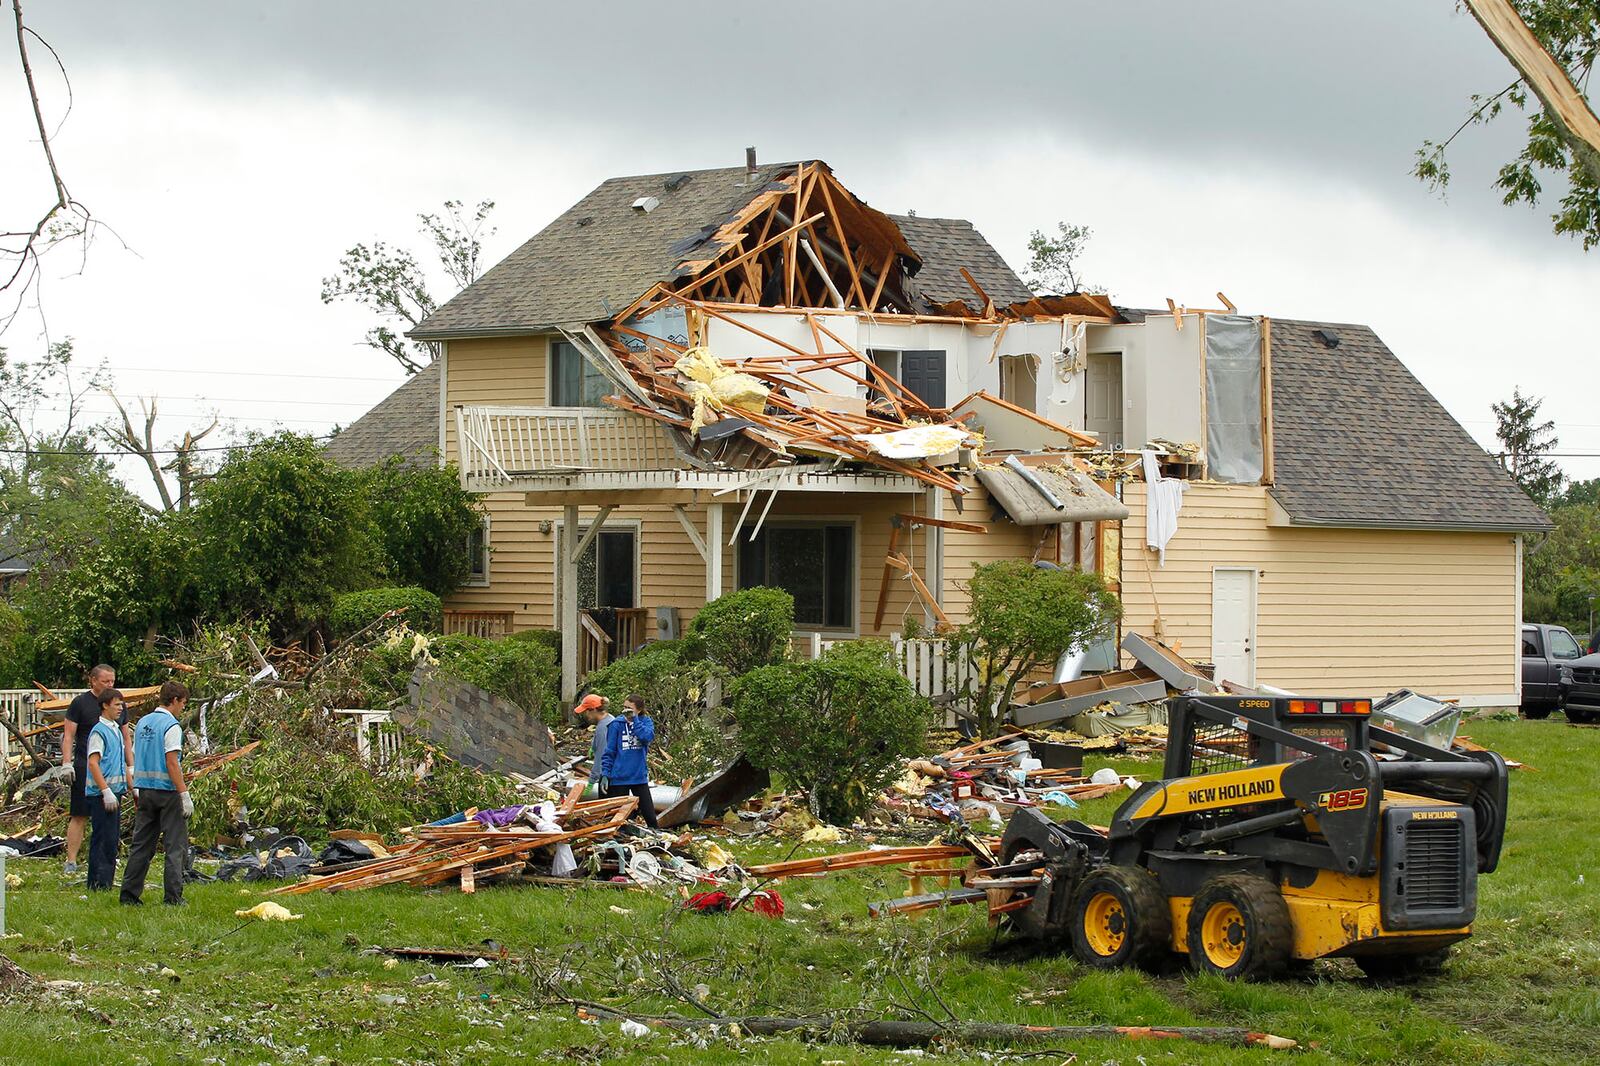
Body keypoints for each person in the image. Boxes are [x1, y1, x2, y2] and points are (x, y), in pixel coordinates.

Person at [120, 680, 192, 906]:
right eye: (183, 703)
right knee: (175, 846)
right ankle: (173, 897)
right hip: (168, 792)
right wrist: (184, 794)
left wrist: (135, 785)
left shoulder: (143, 723)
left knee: (141, 844)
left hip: (145, 790)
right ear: (174, 701)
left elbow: (134, 753)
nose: (183, 708)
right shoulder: (171, 726)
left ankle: (129, 895)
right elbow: (172, 762)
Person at [60, 664, 128, 876]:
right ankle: (71, 860)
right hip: (86, 767)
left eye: (112, 681)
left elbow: (125, 736)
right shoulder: (80, 703)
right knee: (80, 814)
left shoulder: (117, 703)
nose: (109, 684)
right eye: (105, 681)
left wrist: (131, 767)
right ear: (93, 680)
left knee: (107, 823)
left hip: (111, 771)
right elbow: (69, 735)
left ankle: (105, 862)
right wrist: (66, 763)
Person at [83, 688, 130, 890]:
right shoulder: (99, 731)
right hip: (102, 795)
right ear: (105, 705)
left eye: (122, 704)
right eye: (117, 704)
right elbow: (93, 763)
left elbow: (120, 762)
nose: (121, 708)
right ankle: (98, 883)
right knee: (102, 839)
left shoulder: (116, 730)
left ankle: (106, 882)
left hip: (115, 792)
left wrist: (131, 786)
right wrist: (105, 790)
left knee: (111, 840)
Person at [598, 694, 658, 830]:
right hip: (619, 777)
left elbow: (646, 737)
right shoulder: (616, 724)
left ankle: (656, 841)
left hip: (638, 776)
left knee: (650, 816)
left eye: (629, 708)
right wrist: (605, 773)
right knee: (619, 818)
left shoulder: (645, 722)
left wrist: (634, 721)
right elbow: (610, 751)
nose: (626, 711)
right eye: (624, 708)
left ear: (639, 710)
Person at [574, 693, 614, 790]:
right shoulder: (610, 719)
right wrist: (594, 747)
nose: (586, 715)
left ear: (594, 710)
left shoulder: (603, 728)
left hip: (608, 778)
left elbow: (601, 758)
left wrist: (591, 782)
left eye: (586, 711)